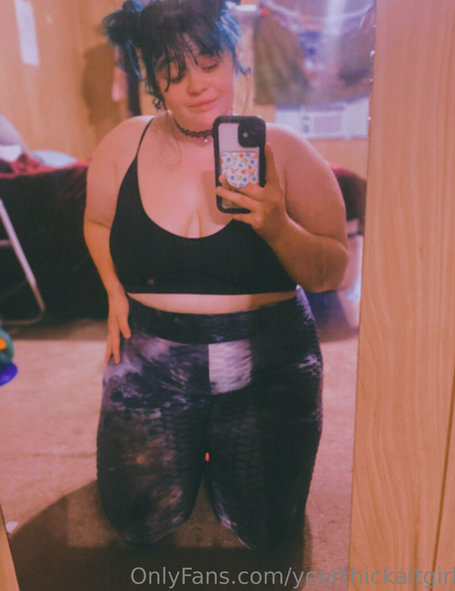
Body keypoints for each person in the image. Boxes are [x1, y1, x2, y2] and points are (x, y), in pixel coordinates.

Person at [83, 0, 348, 554]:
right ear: (153, 78)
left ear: (234, 56)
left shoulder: (287, 151)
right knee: (138, 519)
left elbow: (331, 273)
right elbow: (98, 221)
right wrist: (112, 291)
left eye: (209, 63)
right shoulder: (123, 144)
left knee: (267, 528)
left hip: (269, 360)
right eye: (174, 71)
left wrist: (277, 226)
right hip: (151, 358)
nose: (197, 85)